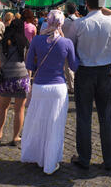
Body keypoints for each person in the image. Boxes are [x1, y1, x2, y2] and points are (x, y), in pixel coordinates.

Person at [68, 0, 111, 170]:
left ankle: (84, 157)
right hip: (105, 72)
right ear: (102, 4)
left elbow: (71, 46)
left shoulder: (79, 24)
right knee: (106, 116)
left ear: (86, 4)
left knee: (83, 116)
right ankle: (109, 158)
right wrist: (101, 6)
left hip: (84, 72)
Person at [21, 10, 78, 175]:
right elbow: (74, 66)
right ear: (61, 23)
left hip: (40, 86)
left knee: (38, 123)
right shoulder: (66, 43)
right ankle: (50, 161)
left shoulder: (37, 40)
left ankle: (37, 156)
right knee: (55, 126)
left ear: (48, 21)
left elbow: (30, 64)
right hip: (58, 88)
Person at [0, 19, 30, 145]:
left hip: (6, 78)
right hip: (21, 77)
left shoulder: (2, 42)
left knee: (2, 107)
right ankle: (15, 137)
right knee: (19, 109)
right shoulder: (24, 42)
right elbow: (28, 62)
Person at [62, 2, 78, 93]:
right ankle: (78, 84)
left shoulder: (64, 22)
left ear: (67, 11)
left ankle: (72, 86)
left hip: (66, 45)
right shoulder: (79, 20)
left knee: (68, 67)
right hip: (77, 45)